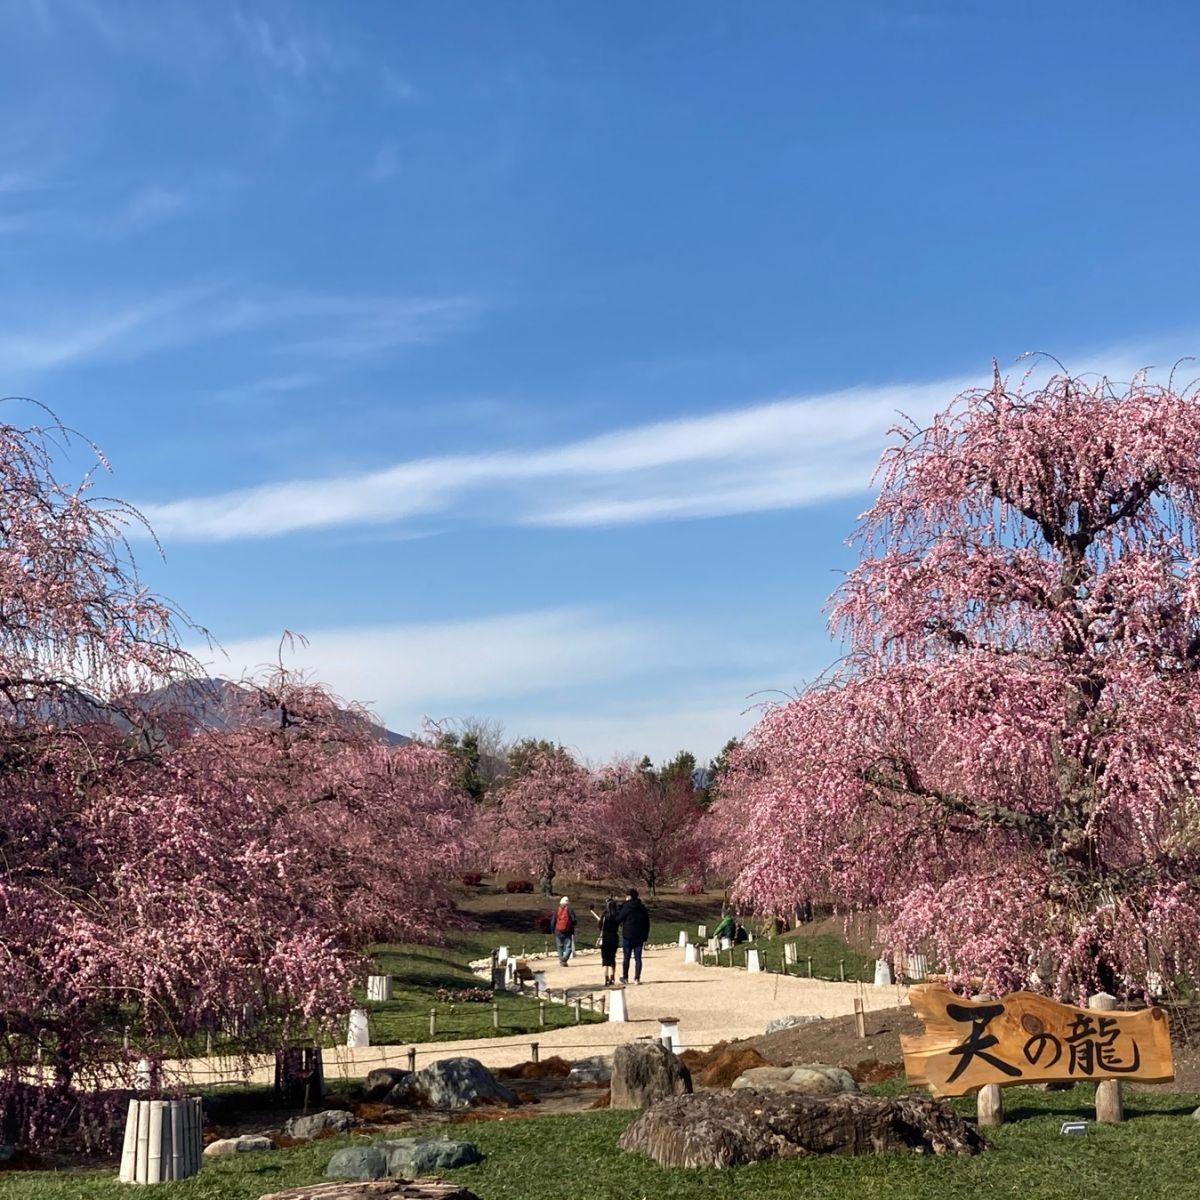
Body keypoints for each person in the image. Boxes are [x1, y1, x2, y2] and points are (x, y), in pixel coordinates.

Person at [615, 887, 650, 985]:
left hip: (628, 935)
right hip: (639, 936)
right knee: (638, 958)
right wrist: (645, 935)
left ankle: (625, 977)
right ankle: (637, 978)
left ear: (629, 897)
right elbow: (647, 923)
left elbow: (619, 918)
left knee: (626, 957)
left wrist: (619, 908)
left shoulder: (627, 907)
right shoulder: (642, 908)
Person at [590, 896, 621, 986]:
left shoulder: (604, 916)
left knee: (605, 959)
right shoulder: (616, 916)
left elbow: (600, 927)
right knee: (612, 958)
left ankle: (606, 978)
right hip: (614, 937)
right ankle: (612, 976)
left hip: (605, 938)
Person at [552, 896, 577, 965]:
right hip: (568, 931)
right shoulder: (570, 910)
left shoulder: (557, 910)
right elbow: (574, 920)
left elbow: (553, 920)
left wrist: (552, 929)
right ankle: (564, 959)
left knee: (559, 946)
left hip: (558, 931)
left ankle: (561, 960)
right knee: (568, 947)